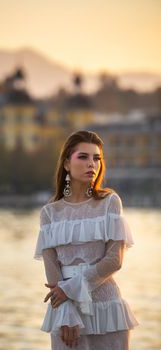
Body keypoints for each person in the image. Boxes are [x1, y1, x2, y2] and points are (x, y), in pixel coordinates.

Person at [34, 130, 138, 350]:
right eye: (83, 157)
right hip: (64, 307)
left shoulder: (110, 202)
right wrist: (66, 311)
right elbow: (51, 268)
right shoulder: (49, 213)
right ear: (66, 164)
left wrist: (68, 289)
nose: (92, 163)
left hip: (106, 309)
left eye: (96, 158)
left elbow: (114, 260)